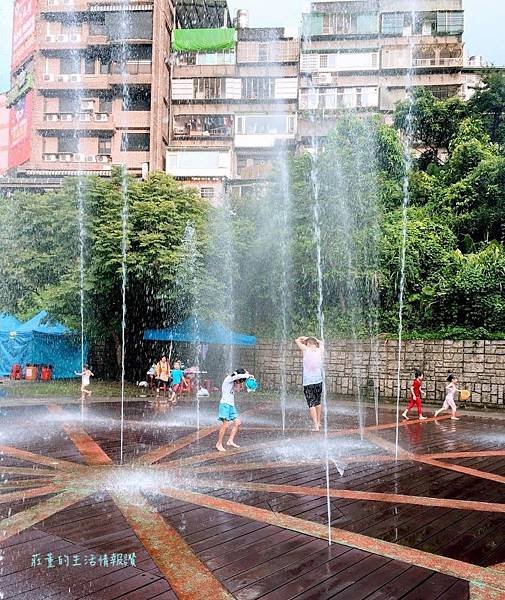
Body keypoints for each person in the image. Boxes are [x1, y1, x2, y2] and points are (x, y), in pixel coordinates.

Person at [216, 368, 251, 452]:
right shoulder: (229, 378)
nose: (240, 382)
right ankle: (219, 443)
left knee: (237, 423)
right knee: (225, 425)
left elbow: (237, 390)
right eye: (240, 380)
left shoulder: (232, 382)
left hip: (231, 405)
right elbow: (238, 376)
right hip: (225, 404)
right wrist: (248, 375)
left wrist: (242, 384)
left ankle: (230, 441)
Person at [295, 336, 324, 431]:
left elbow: (297, 340)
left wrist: (305, 338)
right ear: (315, 343)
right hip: (318, 381)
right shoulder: (320, 350)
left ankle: (315, 426)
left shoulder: (306, 349)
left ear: (307, 343)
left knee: (311, 403)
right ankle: (319, 422)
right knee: (318, 402)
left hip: (308, 382)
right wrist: (312, 339)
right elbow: (321, 341)